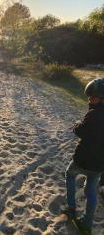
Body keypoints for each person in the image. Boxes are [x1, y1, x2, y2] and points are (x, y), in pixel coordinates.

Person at [63, 78, 104, 234]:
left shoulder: (93, 114)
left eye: (92, 96)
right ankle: (87, 225)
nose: (89, 99)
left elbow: (82, 132)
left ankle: (71, 208)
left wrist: (76, 125)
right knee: (91, 191)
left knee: (69, 174)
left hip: (83, 160)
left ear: (102, 99)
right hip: (100, 165)